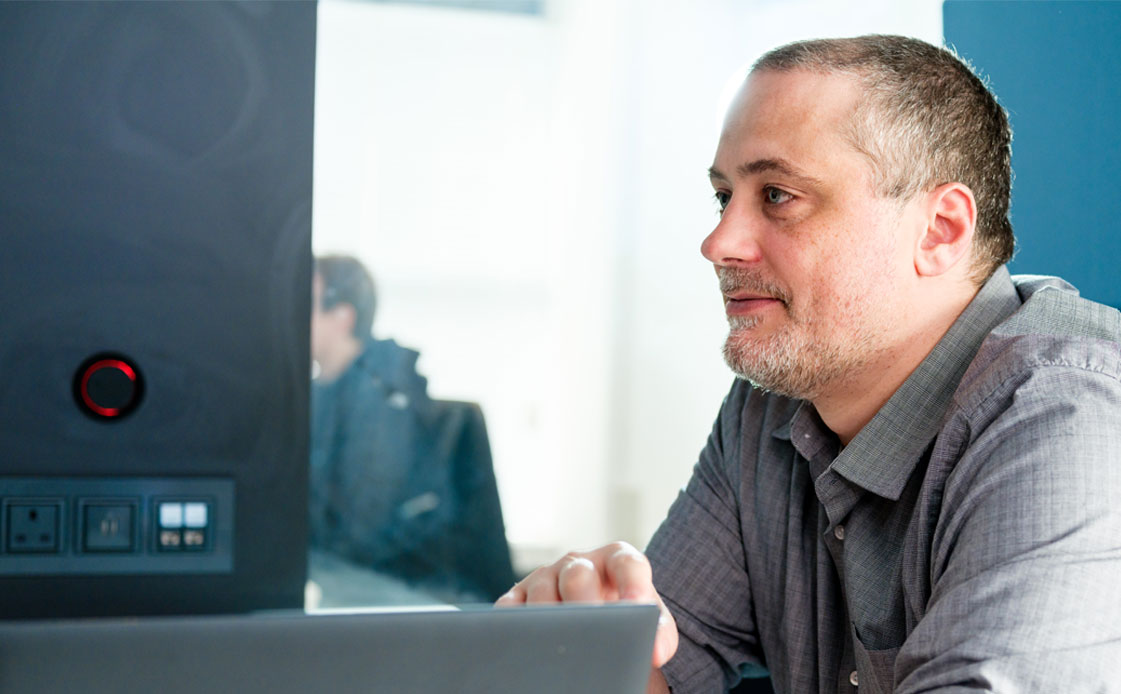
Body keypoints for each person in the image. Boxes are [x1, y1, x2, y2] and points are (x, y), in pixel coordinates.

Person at [497, 35, 1121, 693]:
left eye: (776, 195)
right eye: (722, 197)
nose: (718, 243)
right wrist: (574, 657)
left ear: (938, 231)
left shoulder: (1068, 415)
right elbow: (655, 672)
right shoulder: (770, 409)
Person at [308, 254, 456, 601]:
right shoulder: (322, 397)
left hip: (389, 593)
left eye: (307, 305)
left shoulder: (383, 398)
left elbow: (360, 529)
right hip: (341, 586)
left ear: (342, 318)